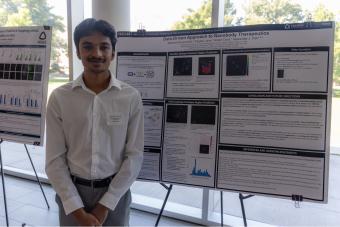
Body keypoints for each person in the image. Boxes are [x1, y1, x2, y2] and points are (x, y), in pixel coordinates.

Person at [45, 18, 144, 226]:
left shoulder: (130, 97)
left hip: (115, 193)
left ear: (113, 53)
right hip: (71, 194)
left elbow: (134, 156)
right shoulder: (59, 98)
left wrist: (104, 206)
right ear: (78, 52)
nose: (97, 54)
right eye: (88, 46)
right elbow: (54, 161)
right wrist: (78, 212)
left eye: (104, 47)